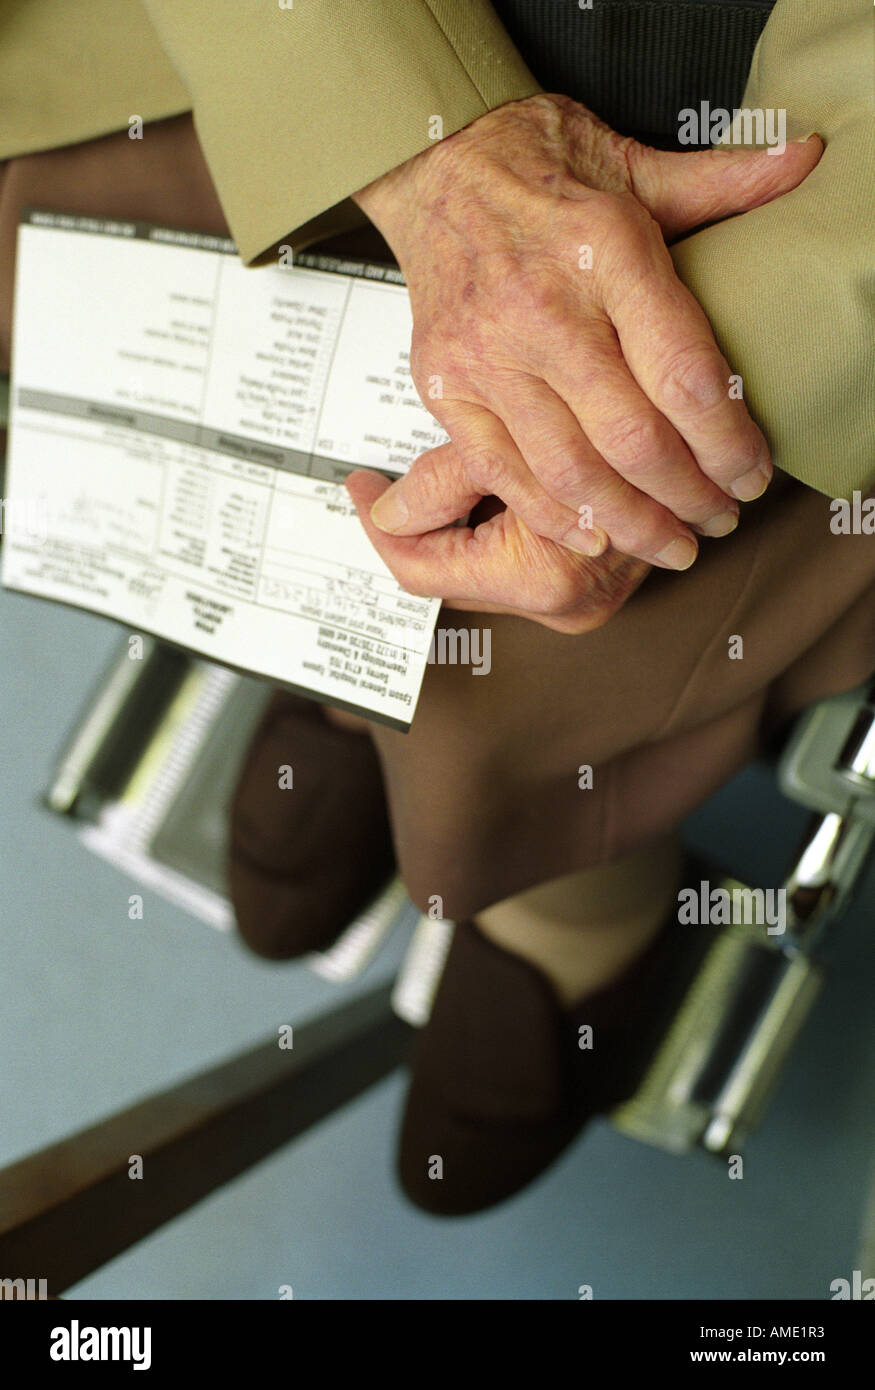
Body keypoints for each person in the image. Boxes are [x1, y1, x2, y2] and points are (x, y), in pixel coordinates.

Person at [1, 0, 873, 1216]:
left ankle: (568, 874)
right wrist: (401, 129)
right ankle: (342, 679)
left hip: (781, 139)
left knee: (593, 583)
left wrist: (669, 398)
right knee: (145, 302)